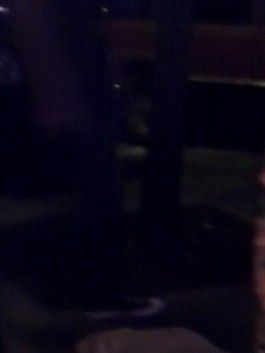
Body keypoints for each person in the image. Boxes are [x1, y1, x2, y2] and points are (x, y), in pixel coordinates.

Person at [9, 0, 161, 317]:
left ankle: (93, 286)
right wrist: (54, 89)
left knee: (90, 184)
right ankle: (100, 290)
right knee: (96, 183)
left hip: (71, 73)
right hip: (73, 76)